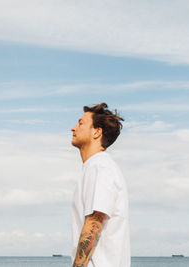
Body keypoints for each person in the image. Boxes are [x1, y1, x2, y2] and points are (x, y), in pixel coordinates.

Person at [70, 103, 131, 267]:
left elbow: (94, 223)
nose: (73, 128)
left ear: (97, 132)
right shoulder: (97, 166)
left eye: (80, 123)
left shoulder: (99, 166)